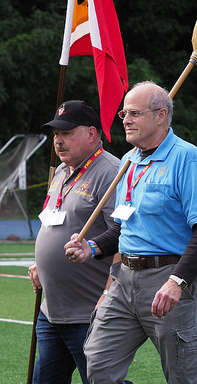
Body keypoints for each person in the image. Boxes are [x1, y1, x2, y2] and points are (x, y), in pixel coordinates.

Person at [64, 81, 197, 383]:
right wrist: (92, 247)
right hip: (124, 281)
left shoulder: (187, 158)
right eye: (124, 113)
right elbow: (123, 226)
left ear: (161, 116)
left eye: (135, 113)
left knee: (183, 375)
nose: (125, 120)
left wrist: (177, 281)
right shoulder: (128, 161)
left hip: (168, 279)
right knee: (99, 365)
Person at [29, 100, 120, 384]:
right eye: (56, 133)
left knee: (100, 380)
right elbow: (53, 220)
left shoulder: (110, 172)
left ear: (91, 133)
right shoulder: (61, 171)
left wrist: (109, 294)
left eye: (67, 133)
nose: (58, 140)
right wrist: (40, 263)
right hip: (52, 309)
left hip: (88, 311)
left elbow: (124, 234)